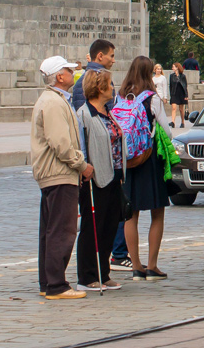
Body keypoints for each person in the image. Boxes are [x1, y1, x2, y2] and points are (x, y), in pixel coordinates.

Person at [31, 56, 93, 300]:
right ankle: (56, 284)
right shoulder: (54, 102)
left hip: (54, 173)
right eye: (68, 70)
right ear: (59, 76)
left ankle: (47, 282)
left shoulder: (54, 99)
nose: (72, 73)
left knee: (50, 230)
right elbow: (61, 144)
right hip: (59, 173)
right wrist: (81, 165)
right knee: (62, 230)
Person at [117, 57, 172, 281]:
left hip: (128, 161)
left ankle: (136, 267)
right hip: (149, 159)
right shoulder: (152, 98)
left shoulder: (121, 96)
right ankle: (152, 266)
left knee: (131, 215)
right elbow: (167, 131)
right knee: (157, 212)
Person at [75, 69, 125, 292]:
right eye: (110, 84)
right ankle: (87, 276)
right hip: (95, 179)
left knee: (109, 226)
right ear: (99, 87)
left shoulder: (108, 112)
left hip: (114, 176)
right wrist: (84, 167)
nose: (113, 88)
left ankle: (103, 272)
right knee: (92, 227)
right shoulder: (84, 115)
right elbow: (81, 145)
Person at [71, 39, 115, 112]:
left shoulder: (80, 81)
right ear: (100, 56)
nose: (113, 61)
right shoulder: (101, 80)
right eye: (111, 56)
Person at [169, 62, 188, 128]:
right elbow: (170, 86)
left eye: (173, 67)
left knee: (181, 109)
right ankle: (173, 122)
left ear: (177, 67)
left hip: (181, 93)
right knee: (174, 108)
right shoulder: (171, 76)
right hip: (174, 93)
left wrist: (186, 95)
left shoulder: (183, 76)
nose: (172, 68)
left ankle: (182, 122)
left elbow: (185, 86)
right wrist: (171, 94)